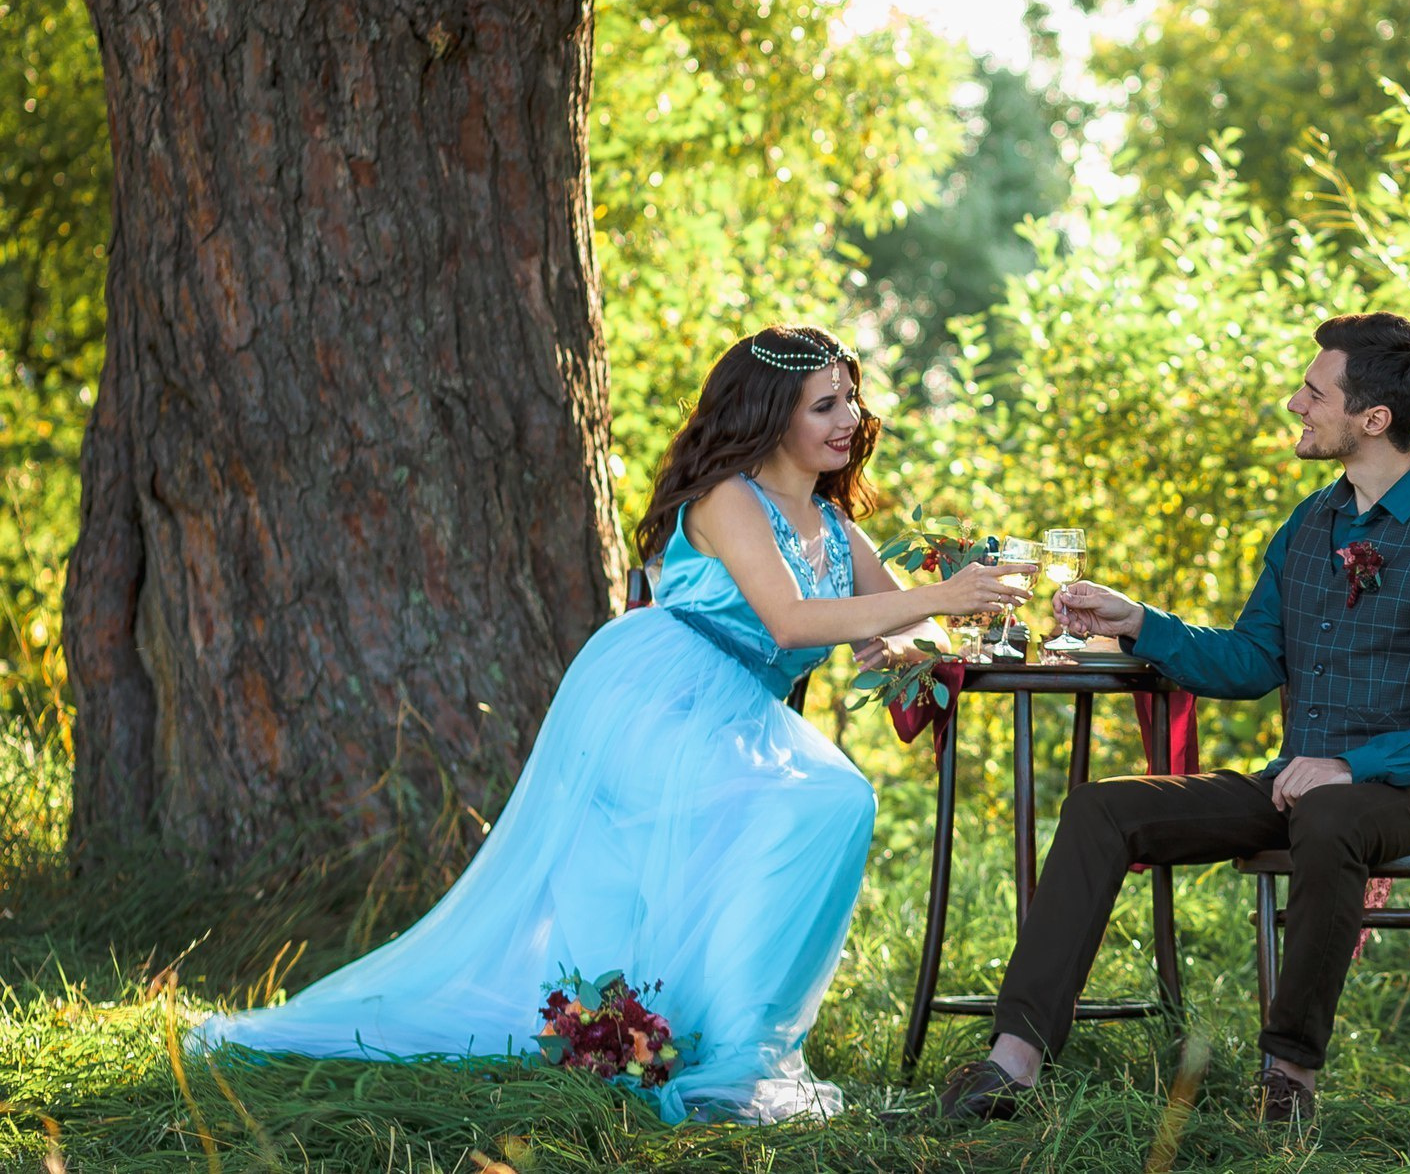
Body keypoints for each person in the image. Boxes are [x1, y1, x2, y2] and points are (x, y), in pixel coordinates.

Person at [191, 325, 1032, 1123]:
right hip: (659, 695)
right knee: (809, 802)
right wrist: (939, 599)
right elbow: (789, 621)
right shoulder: (727, 499)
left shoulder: (837, 528)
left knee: (835, 803)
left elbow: (886, 635)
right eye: (825, 404)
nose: (850, 420)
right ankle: (696, 1044)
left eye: (852, 399)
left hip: (737, 710)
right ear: (771, 415)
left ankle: (731, 1043)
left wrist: (981, 617)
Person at [934, 311, 1410, 1127]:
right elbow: (1250, 659)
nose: (1293, 404)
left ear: (1374, 418)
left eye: (1314, 392)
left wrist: (1352, 766)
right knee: (1105, 806)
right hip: (1298, 782)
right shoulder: (1312, 524)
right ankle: (1014, 1062)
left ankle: (1289, 1078)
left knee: (1329, 813)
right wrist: (1138, 620)